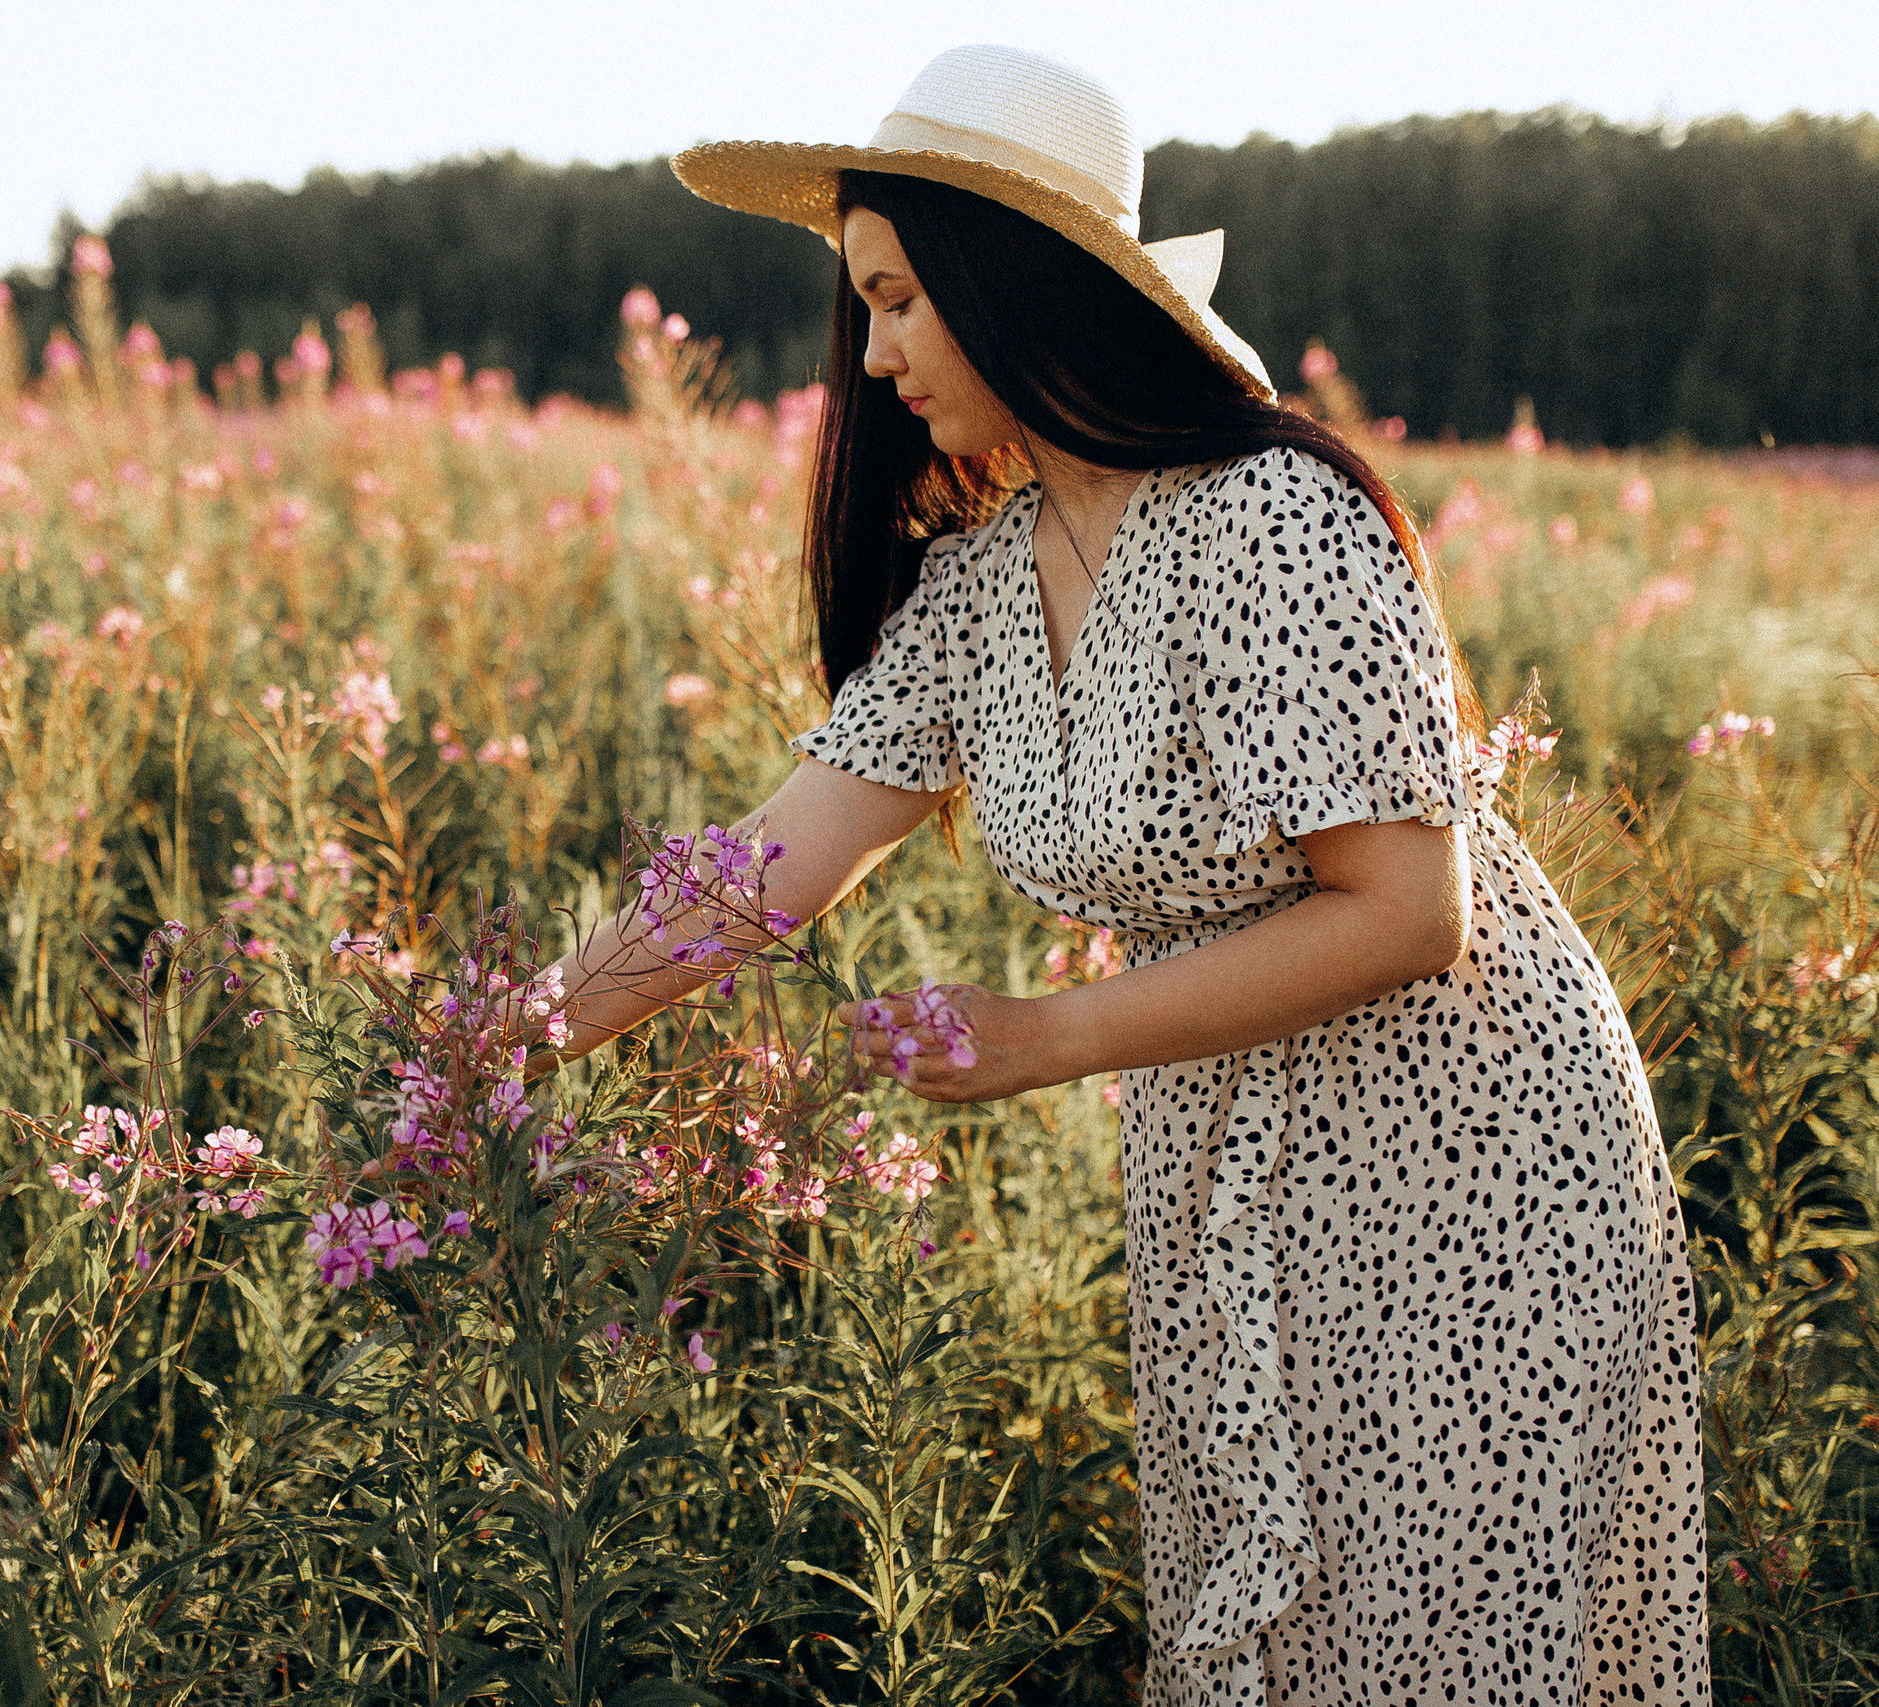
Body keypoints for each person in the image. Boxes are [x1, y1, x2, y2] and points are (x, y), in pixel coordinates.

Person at [535, 44, 1708, 1707]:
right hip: (1223, 1162)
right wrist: (504, 1045)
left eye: (898, 302)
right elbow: (760, 874)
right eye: (862, 309)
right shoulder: (980, 588)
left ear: (1013, 282)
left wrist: (1045, 1037)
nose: (873, 356)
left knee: (1436, 1650)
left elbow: (1409, 910)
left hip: (1466, 1164)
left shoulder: (1273, 516)